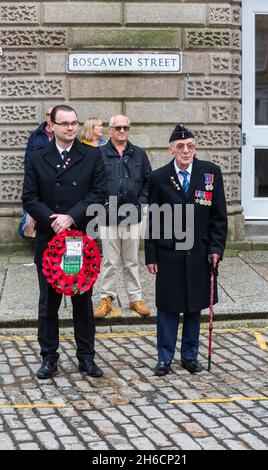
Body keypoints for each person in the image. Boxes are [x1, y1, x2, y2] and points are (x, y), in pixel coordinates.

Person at [22, 104, 107, 380]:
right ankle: (49, 357)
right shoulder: (37, 157)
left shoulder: (92, 155)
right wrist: (52, 219)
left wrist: (71, 217)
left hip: (81, 240)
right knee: (49, 303)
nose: (70, 127)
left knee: (83, 302)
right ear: (53, 126)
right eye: (65, 123)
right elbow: (29, 198)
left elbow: (98, 194)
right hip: (49, 241)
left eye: (73, 123)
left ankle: (86, 357)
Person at [145, 124, 228, 376]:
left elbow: (219, 216)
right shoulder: (158, 177)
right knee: (168, 307)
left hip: (200, 253)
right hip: (169, 253)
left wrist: (216, 248)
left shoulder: (210, 173)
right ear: (171, 149)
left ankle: (190, 356)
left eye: (190, 145)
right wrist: (151, 255)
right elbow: (153, 220)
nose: (186, 150)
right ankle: (164, 358)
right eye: (180, 146)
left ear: (195, 147)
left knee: (194, 306)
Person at [94, 114, 151, 318]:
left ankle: (135, 298)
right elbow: (93, 182)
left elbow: (147, 181)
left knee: (131, 260)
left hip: (132, 215)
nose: (121, 131)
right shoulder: (99, 154)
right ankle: (106, 298)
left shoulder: (139, 154)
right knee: (109, 260)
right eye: (117, 127)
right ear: (110, 130)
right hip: (107, 215)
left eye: (125, 128)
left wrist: (142, 202)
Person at [19, 106, 54, 240]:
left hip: (56, 181)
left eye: (53, 114)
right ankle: (36, 246)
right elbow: (28, 158)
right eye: (48, 114)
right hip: (38, 179)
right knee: (34, 214)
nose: (50, 117)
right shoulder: (36, 135)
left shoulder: (62, 134)